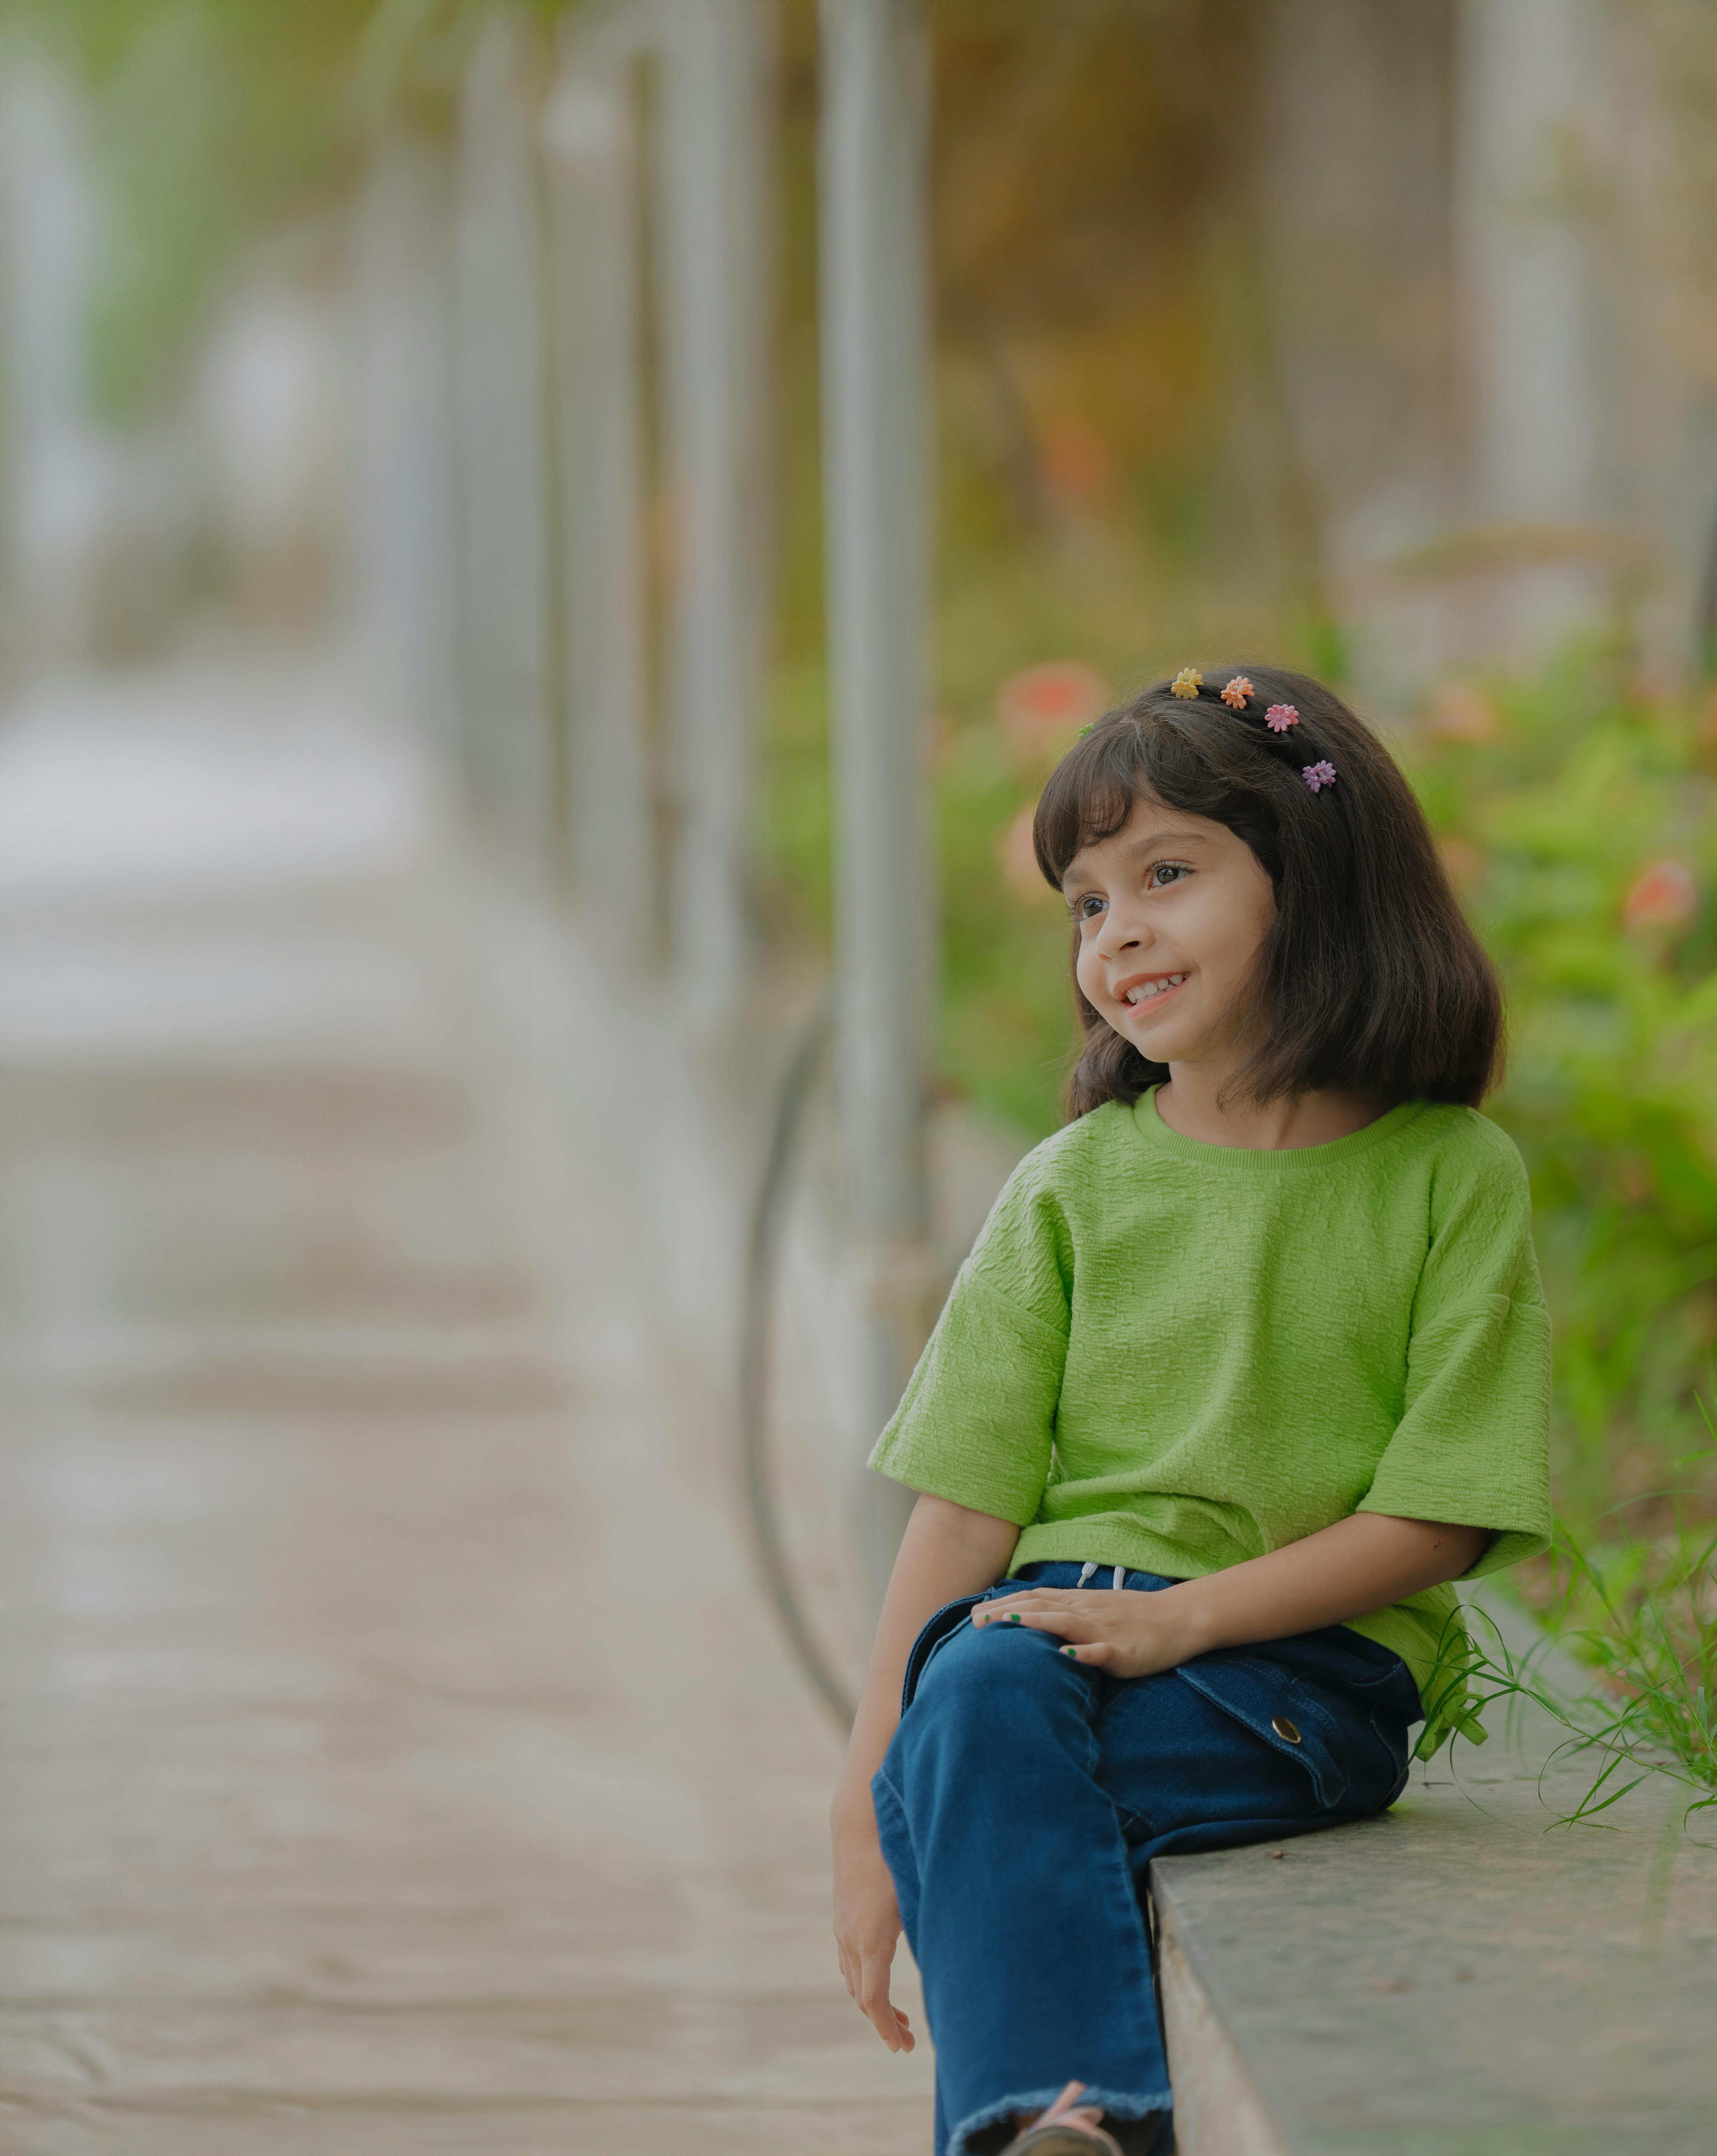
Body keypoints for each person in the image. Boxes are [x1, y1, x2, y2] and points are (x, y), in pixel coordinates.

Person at [829, 666, 1553, 2156]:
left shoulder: (1448, 1175)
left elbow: (1442, 1514)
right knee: (969, 1704)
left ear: (1313, 879)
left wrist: (1187, 1619)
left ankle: (1056, 2118)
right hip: (1046, 1656)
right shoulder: (1073, 1186)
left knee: (989, 1774)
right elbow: (964, 1506)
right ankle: (1072, 2131)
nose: (1122, 934)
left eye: (1168, 875)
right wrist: (861, 1804)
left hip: (1300, 1679)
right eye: (1088, 903)